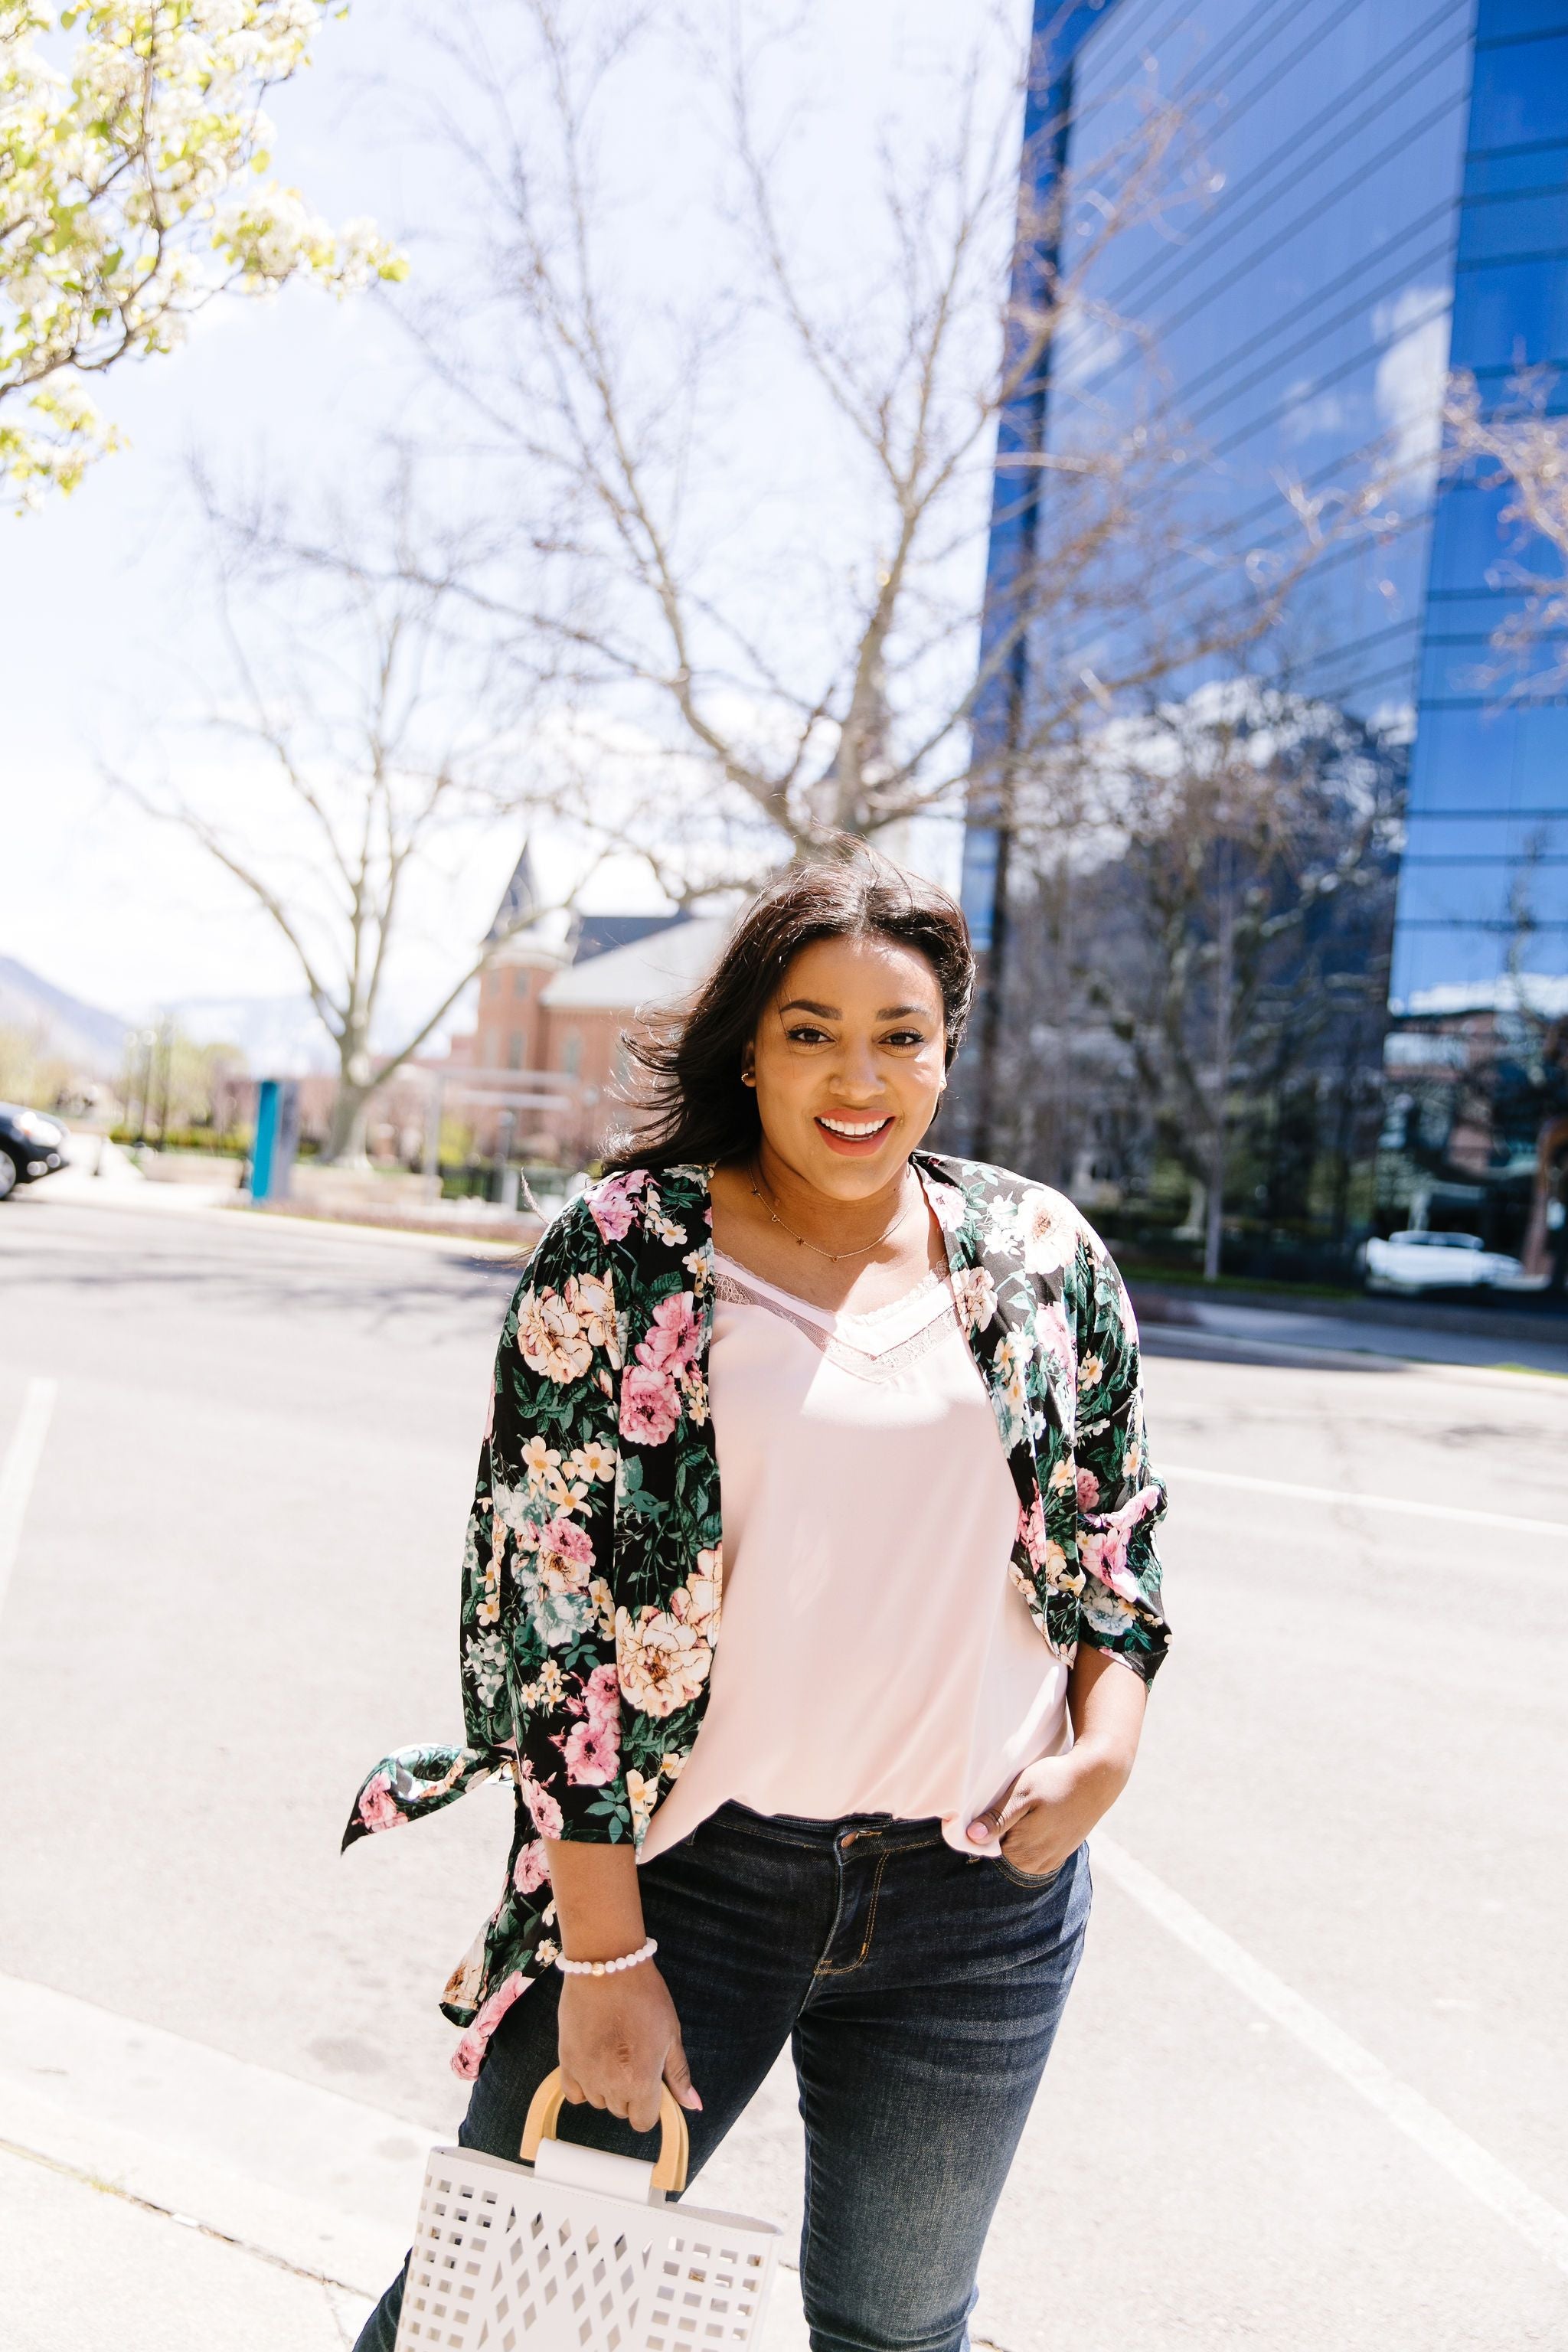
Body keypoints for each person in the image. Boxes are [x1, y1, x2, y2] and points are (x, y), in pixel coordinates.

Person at [346, 844, 1168, 2352]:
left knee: (897, 2329)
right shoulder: (625, 1253)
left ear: (945, 1050)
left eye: (898, 1037)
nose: (857, 1077)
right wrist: (602, 1953)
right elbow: (551, 1629)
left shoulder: (1041, 1256)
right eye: (810, 1032)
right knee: (502, 2311)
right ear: (750, 1046)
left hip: (976, 1902)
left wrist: (1108, 1739)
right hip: (680, 1885)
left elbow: (1110, 1537)